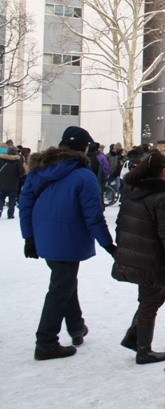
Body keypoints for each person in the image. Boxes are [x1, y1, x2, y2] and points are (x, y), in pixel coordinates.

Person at [19, 126, 115, 360]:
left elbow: (25, 205)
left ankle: (76, 327)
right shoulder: (84, 175)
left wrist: (29, 237)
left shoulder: (38, 170)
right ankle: (46, 341)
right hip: (69, 240)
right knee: (60, 287)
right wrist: (109, 245)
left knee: (64, 281)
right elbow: (93, 215)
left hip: (44, 238)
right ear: (84, 148)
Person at [112, 153, 165, 364]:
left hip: (134, 252)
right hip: (152, 256)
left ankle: (135, 338)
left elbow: (120, 222)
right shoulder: (162, 196)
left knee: (152, 297)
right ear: (163, 172)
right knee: (150, 300)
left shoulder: (132, 190)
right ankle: (142, 349)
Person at [0, 145, 25, 219]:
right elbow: (21, 173)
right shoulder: (17, 162)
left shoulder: (1, 160)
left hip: (1, 184)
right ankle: (10, 214)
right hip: (13, 184)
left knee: (1, 198)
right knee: (12, 200)